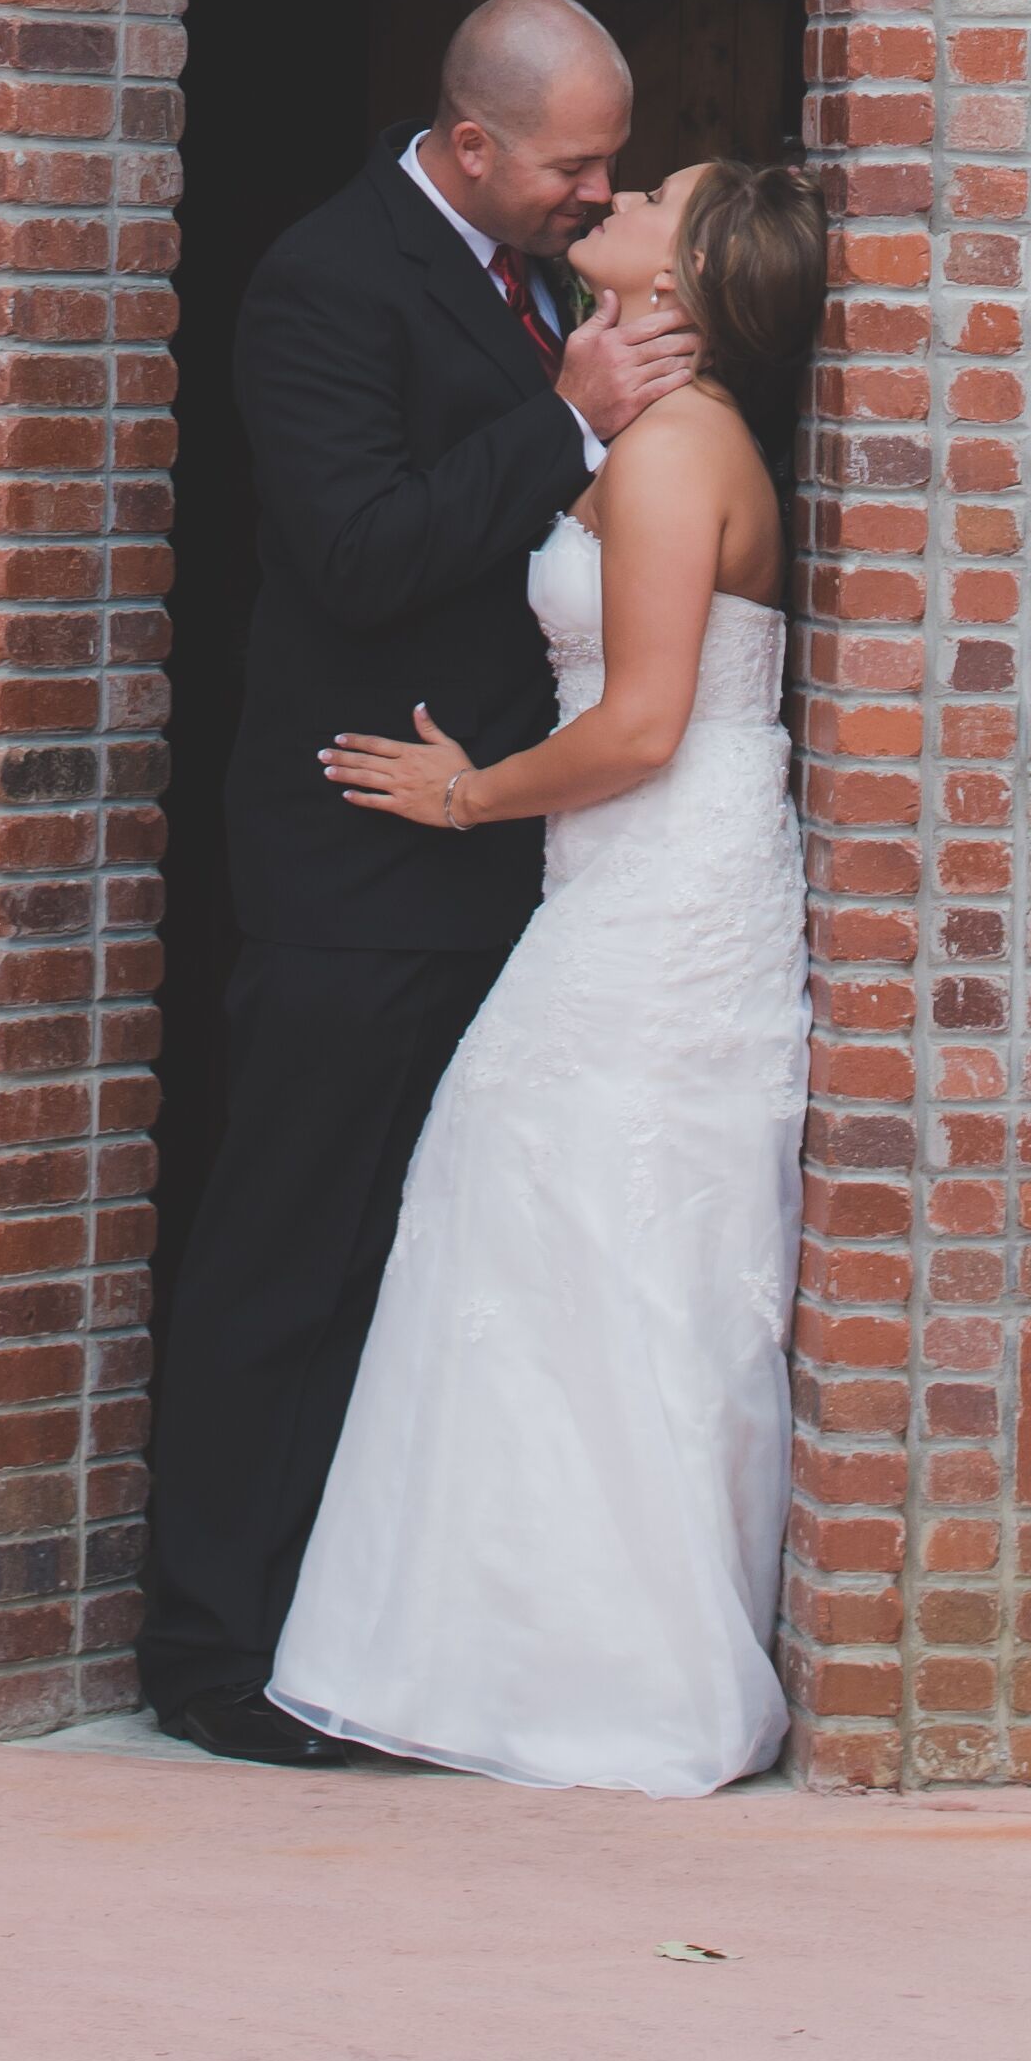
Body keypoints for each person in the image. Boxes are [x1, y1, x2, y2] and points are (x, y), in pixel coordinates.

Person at [141, 0, 691, 1764]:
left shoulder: (547, 276)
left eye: (615, 163)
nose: (597, 197)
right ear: (470, 145)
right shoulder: (323, 282)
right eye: (572, 166)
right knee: (288, 1261)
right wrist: (565, 414)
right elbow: (360, 553)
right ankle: (214, 1656)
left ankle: (356, 1641)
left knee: (417, 1269)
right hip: (351, 860)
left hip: (503, 852)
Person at [272, 153, 822, 1794]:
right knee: (569, 1229)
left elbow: (646, 727)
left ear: (693, 275)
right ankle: (520, 1661)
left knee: (572, 1225)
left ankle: (606, 1678)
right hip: (631, 881)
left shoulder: (675, 457)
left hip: (654, 890)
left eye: (659, 192)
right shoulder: (653, 436)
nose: (625, 193)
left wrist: (466, 792)